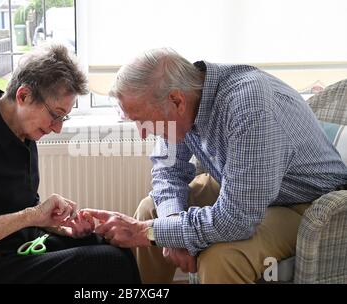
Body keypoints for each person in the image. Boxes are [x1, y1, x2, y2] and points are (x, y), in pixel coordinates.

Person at [84, 47, 347, 283]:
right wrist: (172, 227)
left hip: (304, 203)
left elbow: (236, 219)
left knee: (220, 257)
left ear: (176, 100)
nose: (142, 134)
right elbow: (167, 170)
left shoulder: (250, 108)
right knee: (150, 210)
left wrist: (153, 233)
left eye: (143, 121)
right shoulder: (183, 101)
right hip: (236, 184)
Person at [0, 44, 140, 284]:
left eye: (64, 117)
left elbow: (20, 210)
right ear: (23, 95)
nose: (57, 127)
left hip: (16, 250)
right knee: (110, 263)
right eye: (55, 114)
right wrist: (33, 215)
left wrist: (61, 227)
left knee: (110, 246)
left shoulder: (23, 132)